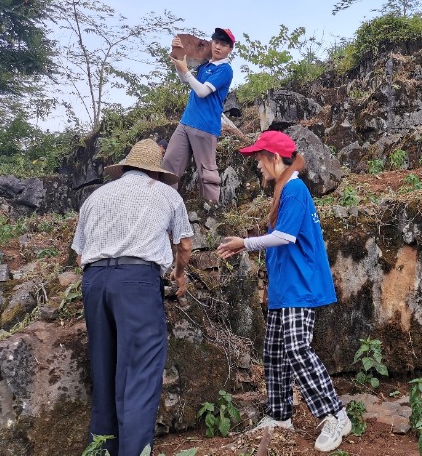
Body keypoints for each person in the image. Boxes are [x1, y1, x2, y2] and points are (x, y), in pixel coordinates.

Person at [216, 131, 351, 453]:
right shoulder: (286, 190)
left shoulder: (293, 189)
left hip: (298, 287)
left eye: (260, 161)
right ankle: (279, 416)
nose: (259, 168)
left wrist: (244, 244)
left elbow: (285, 237)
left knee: (296, 349)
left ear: (275, 159)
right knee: (275, 354)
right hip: (285, 288)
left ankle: (335, 414)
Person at [71, 139, 194, 456]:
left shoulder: (96, 197)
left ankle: (102, 451)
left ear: (125, 167)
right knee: (138, 373)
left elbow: (79, 254)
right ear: (156, 172)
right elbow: (184, 245)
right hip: (137, 282)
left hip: (95, 281)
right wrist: (179, 275)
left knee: (104, 369)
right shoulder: (166, 194)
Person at [162, 27, 235, 202]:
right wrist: (179, 56)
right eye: (216, 42)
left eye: (224, 45)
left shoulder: (225, 70)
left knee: (207, 172)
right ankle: (163, 204)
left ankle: (212, 211)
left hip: (206, 126)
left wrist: (186, 71)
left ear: (230, 49)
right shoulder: (205, 65)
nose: (218, 47)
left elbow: (202, 91)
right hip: (186, 121)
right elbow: (183, 78)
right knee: (169, 164)